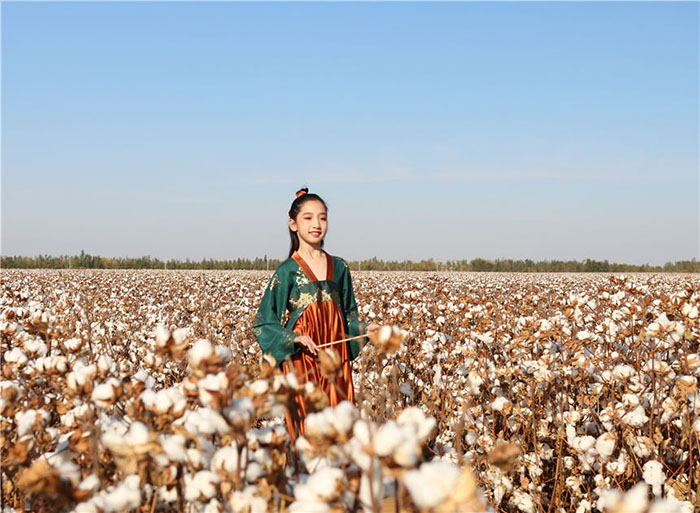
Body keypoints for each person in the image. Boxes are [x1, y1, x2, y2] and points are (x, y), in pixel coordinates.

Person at [252, 187, 379, 442]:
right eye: (308, 217)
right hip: (302, 361)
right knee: (306, 429)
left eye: (322, 217)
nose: (316, 224)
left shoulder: (340, 267)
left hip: (336, 360)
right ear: (293, 224)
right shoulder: (287, 271)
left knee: (340, 424)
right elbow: (264, 322)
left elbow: (348, 316)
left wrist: (364, 330)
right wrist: (292, 339)